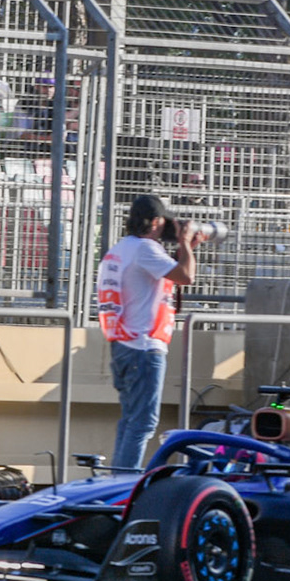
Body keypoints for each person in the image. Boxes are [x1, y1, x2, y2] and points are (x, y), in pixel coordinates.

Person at [96, 194, 197, 470]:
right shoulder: (145, 250)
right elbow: (186, 276)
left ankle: (117, 479)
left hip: (123, 344)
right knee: (142, 423)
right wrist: (186, 243)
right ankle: (124, 484)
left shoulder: (120, 248)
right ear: (154, 222)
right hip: (143, 347)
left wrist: (182, 250)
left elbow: (161, 276)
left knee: (130, 419)